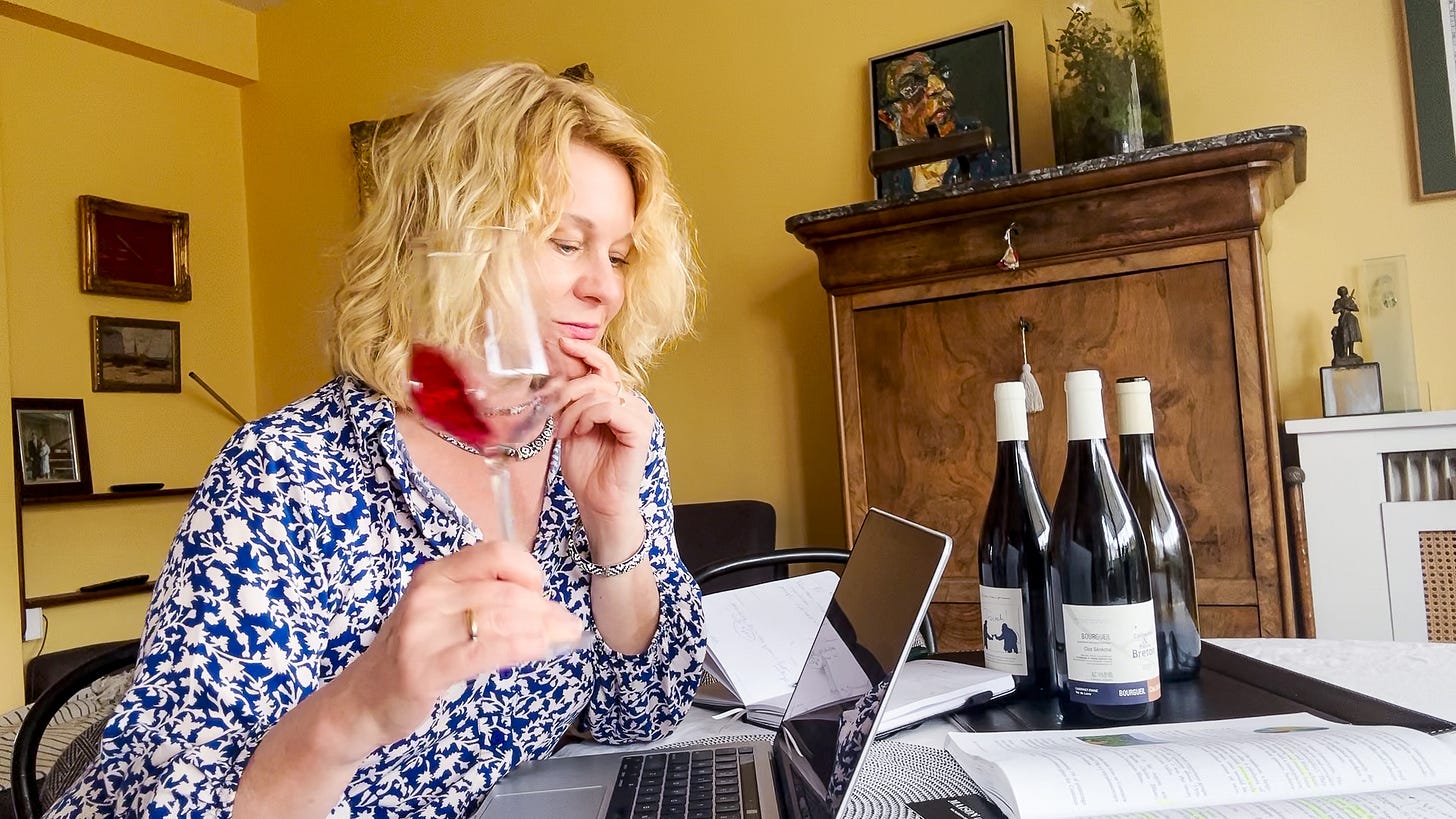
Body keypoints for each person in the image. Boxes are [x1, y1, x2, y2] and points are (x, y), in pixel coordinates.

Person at [49, 61, 705, 819]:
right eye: (564, 243)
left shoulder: (602, 435)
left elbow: (641, 712)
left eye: (618, 256)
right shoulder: (287, 473)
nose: (606, 288)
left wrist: (613, 522)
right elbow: (152, 800)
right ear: (447, 246)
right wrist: (361, 702)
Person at [874, 51, 1010, 197]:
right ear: (887, 117)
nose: (947, 98)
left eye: (942, 91)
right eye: (930, 95)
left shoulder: (984, 157)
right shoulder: (887, 177)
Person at [1331, 285, 1363, 363]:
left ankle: (1351, 352)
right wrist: (1341, 307)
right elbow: (1335, 310)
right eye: (1341, 291)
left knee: (1351, 335)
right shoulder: (1338, 301)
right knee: (1344, 335)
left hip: (1351, 319)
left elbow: (1356, 308)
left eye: (1344, 291)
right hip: (1343, 318)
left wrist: (1348, 306)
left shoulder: (1349, 300)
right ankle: (1344, 353)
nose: (1343, 292)